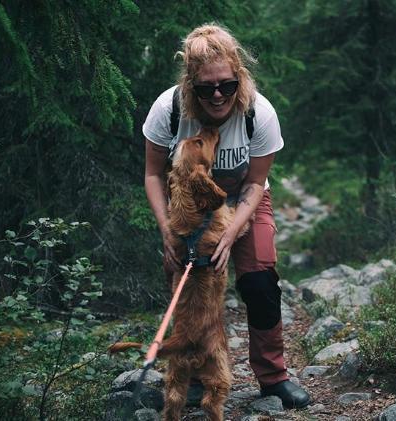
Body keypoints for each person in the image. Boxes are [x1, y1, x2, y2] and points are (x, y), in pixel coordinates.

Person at [142, 23, 311, 409]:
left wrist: (232, 232)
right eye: (206, 88)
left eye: (226, 85)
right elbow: (153, 175)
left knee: (259, 281)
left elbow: (255, 184)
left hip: (245, 204)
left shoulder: (259, 113)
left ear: (239, 76)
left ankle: (273, 377)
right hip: (189, 213)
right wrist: (167, 231)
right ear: (190, 84)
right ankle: (199, 378)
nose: (217, 95)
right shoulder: (168, 110)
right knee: (189, 291)